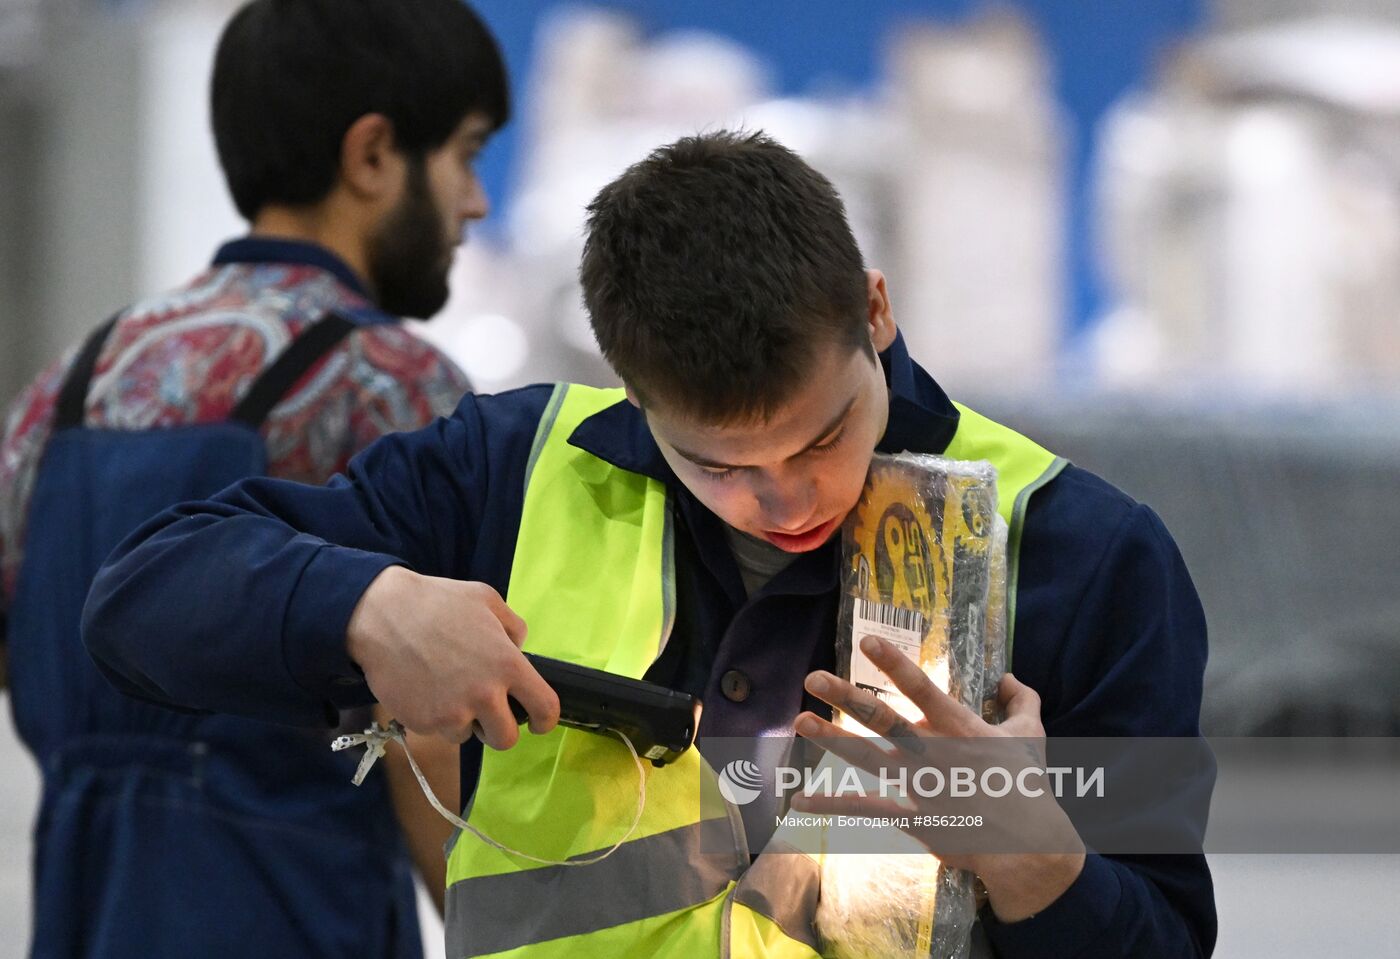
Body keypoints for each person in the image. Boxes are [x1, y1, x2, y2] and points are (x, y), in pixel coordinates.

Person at [84, 131, 1217, 958]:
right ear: (633, 386)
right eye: (717, 465)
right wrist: (362, 606)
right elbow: (141, 597)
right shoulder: (509, 471)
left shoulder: (1083, 553)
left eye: (821, 436)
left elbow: (1160, 938)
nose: (780, 501)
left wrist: (1036, 862)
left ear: (873, 309)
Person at [0, 0, 510, 954]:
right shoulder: (394, 386)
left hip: (80, 919)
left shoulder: (65, 386)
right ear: (372, 157)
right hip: (301, 920)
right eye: (467, 157)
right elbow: (433, 740)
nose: (475, 203)